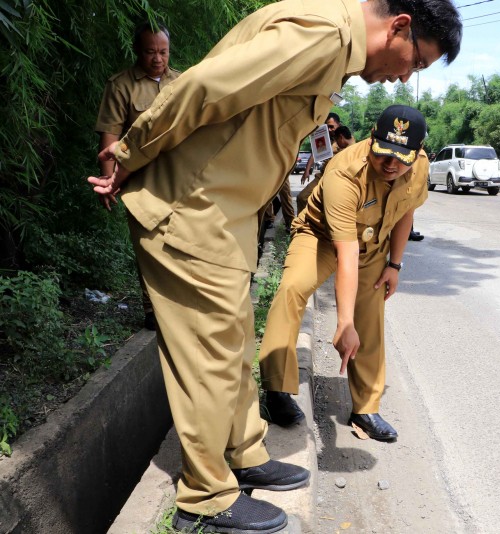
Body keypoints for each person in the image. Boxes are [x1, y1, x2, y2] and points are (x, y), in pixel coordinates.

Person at [87, 0, 462, 532]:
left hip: (226, 213)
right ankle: (205, 495)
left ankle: (244, 453)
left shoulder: (335, 49)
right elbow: (206, 86)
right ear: (400, 26)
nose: (405, 78)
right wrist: (129, 153)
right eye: (415, 62)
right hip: (191, 206)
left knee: (236, 342)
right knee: (209, 356)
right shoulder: (325, 34)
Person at [258, 105, 429, 443]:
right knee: (292, 288)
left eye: (401, 158)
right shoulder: (345, 172)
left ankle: (366, 408)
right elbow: (346, 252)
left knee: (370, 316)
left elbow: (405, 211)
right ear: (372, 139)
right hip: (321, 236)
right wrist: (343, 324)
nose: (391, 164)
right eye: (383, 154)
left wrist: (394, 265)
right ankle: (276, 389)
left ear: (417, 152)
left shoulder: (419, 166)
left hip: (373, 244)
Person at [94, 21, 181, 331]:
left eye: (163, 52)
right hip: (139, 181)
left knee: (181, 241)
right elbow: (110, 135)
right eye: (150, 52)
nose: (158, 59)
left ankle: (180, 303)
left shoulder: (183, 82)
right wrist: (108, 182)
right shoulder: (121, 86)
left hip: (179, 178)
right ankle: (152, 308)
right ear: (137, 51)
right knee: (147, 245)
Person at [296, 113, 341, 215]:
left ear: (339, 124)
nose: (329, 129)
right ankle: (302, 222)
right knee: (302, 197)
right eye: (327, 127)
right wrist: (307, 171)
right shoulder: (325, 137)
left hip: (338, 177)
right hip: (323, 175)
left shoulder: (346, 138)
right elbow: (315, 154)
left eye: (331, 127)